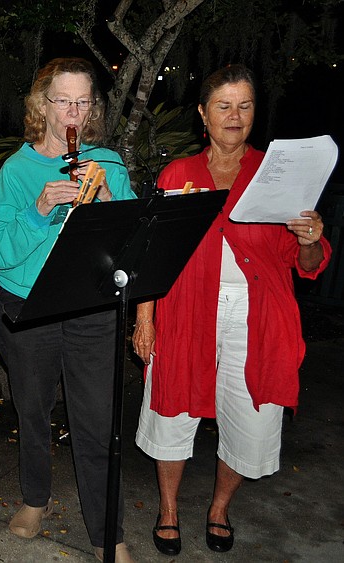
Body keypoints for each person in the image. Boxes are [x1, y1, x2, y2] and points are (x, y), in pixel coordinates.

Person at [132, 64, 331, 556]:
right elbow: (152, 255)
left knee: (254, 415)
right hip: (183, 308)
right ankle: (170, 509)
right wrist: (144, 318)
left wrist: (312, 238)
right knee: (171, 409)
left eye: (245, 105)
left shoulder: (277, 172)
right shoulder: (179, 174)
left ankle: (220, 507)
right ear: (204, 113)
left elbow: (304, 262)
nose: (235, 115)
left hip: (258, 313)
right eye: (223, 105)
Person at [0, 57, 137, 562]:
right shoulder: (18, 169)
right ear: (41, 105)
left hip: (92, 308)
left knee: (95, 420)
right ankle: (34, 497)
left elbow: (132, 247)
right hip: (29, 309)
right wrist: (40, 209)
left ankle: (105, 530)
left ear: (92, 107)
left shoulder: (108, 162)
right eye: (62, 100)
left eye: (82, 101)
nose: (72, 111)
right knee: (33, 410)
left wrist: (110, 204)